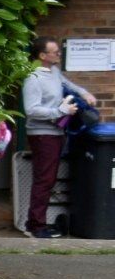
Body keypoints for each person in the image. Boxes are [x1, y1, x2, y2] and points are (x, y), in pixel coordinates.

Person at [22, 35, 98, 238]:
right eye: (55, 52)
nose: (58, 54)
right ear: (42, 55)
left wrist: (85, 94)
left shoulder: (54, 72)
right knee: (44, 180)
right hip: (42, 135)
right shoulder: (34, 78)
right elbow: (31, 110)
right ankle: (36, 226)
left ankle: (36, 223)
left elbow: (70, 85)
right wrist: (60, 110)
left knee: (47, 179)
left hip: (56, 133)